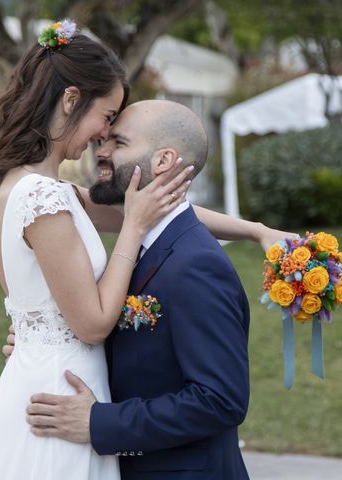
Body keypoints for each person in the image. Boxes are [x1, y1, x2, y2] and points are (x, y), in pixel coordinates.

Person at [0, 20, 288, 480]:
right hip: (60, 395)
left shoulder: (50, 191)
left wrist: (255, 231)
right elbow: (91, 321)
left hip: (63, 388)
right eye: (105, 118)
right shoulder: (40, 197)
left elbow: (160, 207)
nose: (101, 137)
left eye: (113, 131)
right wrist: (133, 232)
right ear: (71, 100)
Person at [24, 99, 251, 479]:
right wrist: (45, 337)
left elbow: (220, 400)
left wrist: (100, 423)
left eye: (119, 143)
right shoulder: (148, 245)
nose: (102, 150)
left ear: (163, 161)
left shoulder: (196, 264)